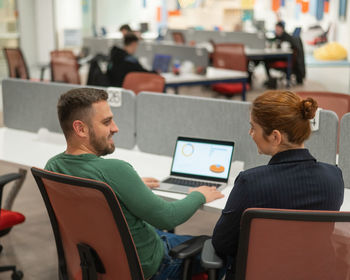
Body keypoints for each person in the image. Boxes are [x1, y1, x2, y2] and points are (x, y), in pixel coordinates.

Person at [45, 88, 224, 280]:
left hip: (99, 264)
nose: (115, 128)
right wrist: (199, 195)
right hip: (149, 267)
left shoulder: (52, 167)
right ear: (80, 129)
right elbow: (168, 218)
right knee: (222, 248)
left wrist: (129, 187)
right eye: (106, 122)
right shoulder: (116, 171)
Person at [212, 90, 344, 279]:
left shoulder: (251, 182)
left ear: (275, 137)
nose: (250, 134)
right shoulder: (334, 176)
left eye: (253, 128)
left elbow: (222, 243)